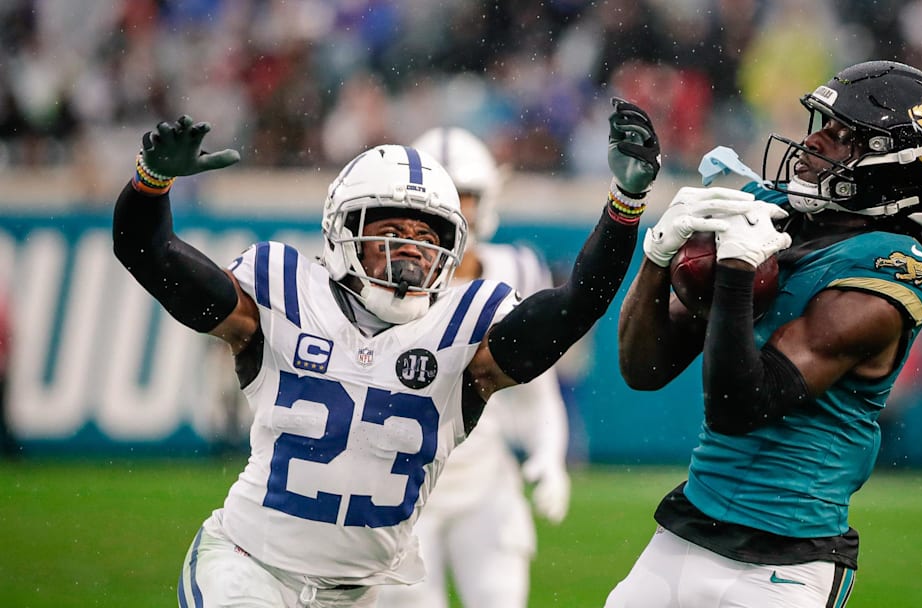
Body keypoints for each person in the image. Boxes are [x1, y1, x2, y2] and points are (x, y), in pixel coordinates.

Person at [111, 98, 661, 608]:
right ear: (344, 230)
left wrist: (625, 204)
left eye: (428, 236)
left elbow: (578, 303)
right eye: (393, 232)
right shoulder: (281, 294)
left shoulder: (464, 333)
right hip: (248, 567)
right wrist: (151, 182)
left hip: (361, 593)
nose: (414, 251)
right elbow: (148, 252)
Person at [608, 60, 922, 608]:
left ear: (894, 170)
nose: (814, 142)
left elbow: (740, 405)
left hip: (784, 563)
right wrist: (657, 257)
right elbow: (644, 369)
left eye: (843, 136)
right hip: (686, 531)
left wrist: (734, 270)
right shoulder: (780, 213)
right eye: (822, 123)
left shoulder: (887, 271)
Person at [376, 127, 571, 608]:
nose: (458, 210)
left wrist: (549, 451)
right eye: (449, 196)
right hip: (400, 481)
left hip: (485, 474)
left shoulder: (518, 267)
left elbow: (536, 387)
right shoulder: (385, 277)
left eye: (467, 195)